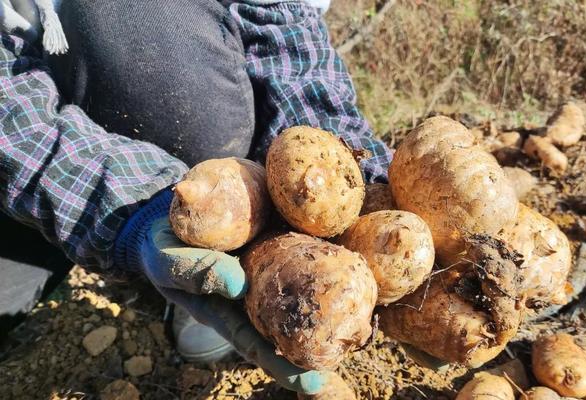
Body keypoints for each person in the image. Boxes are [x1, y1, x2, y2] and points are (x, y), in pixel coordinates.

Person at [0, 0, 393, 394]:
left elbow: (279, 22)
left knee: (134, 16)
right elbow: (10, 117)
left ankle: (201, 275)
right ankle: (170, 250)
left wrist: (340, 150)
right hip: (25, 151)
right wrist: (131, 211)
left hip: (193, 104)